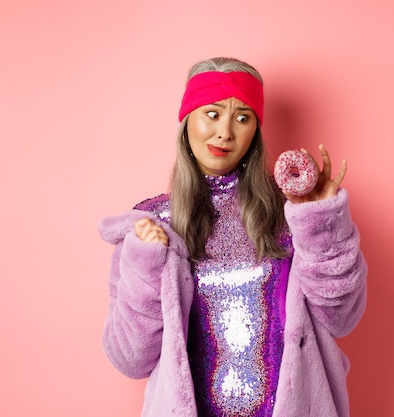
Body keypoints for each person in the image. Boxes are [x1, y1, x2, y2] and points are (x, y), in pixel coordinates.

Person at [98, 57, 367, 417]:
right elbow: (130, 358)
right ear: (187, 119)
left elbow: (342, 317)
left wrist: (318, 221)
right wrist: (146, 263)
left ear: (255, 129)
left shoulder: (289, 212)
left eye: (242, 117)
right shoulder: (152, 225)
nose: (225, 131)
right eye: (212, 113)